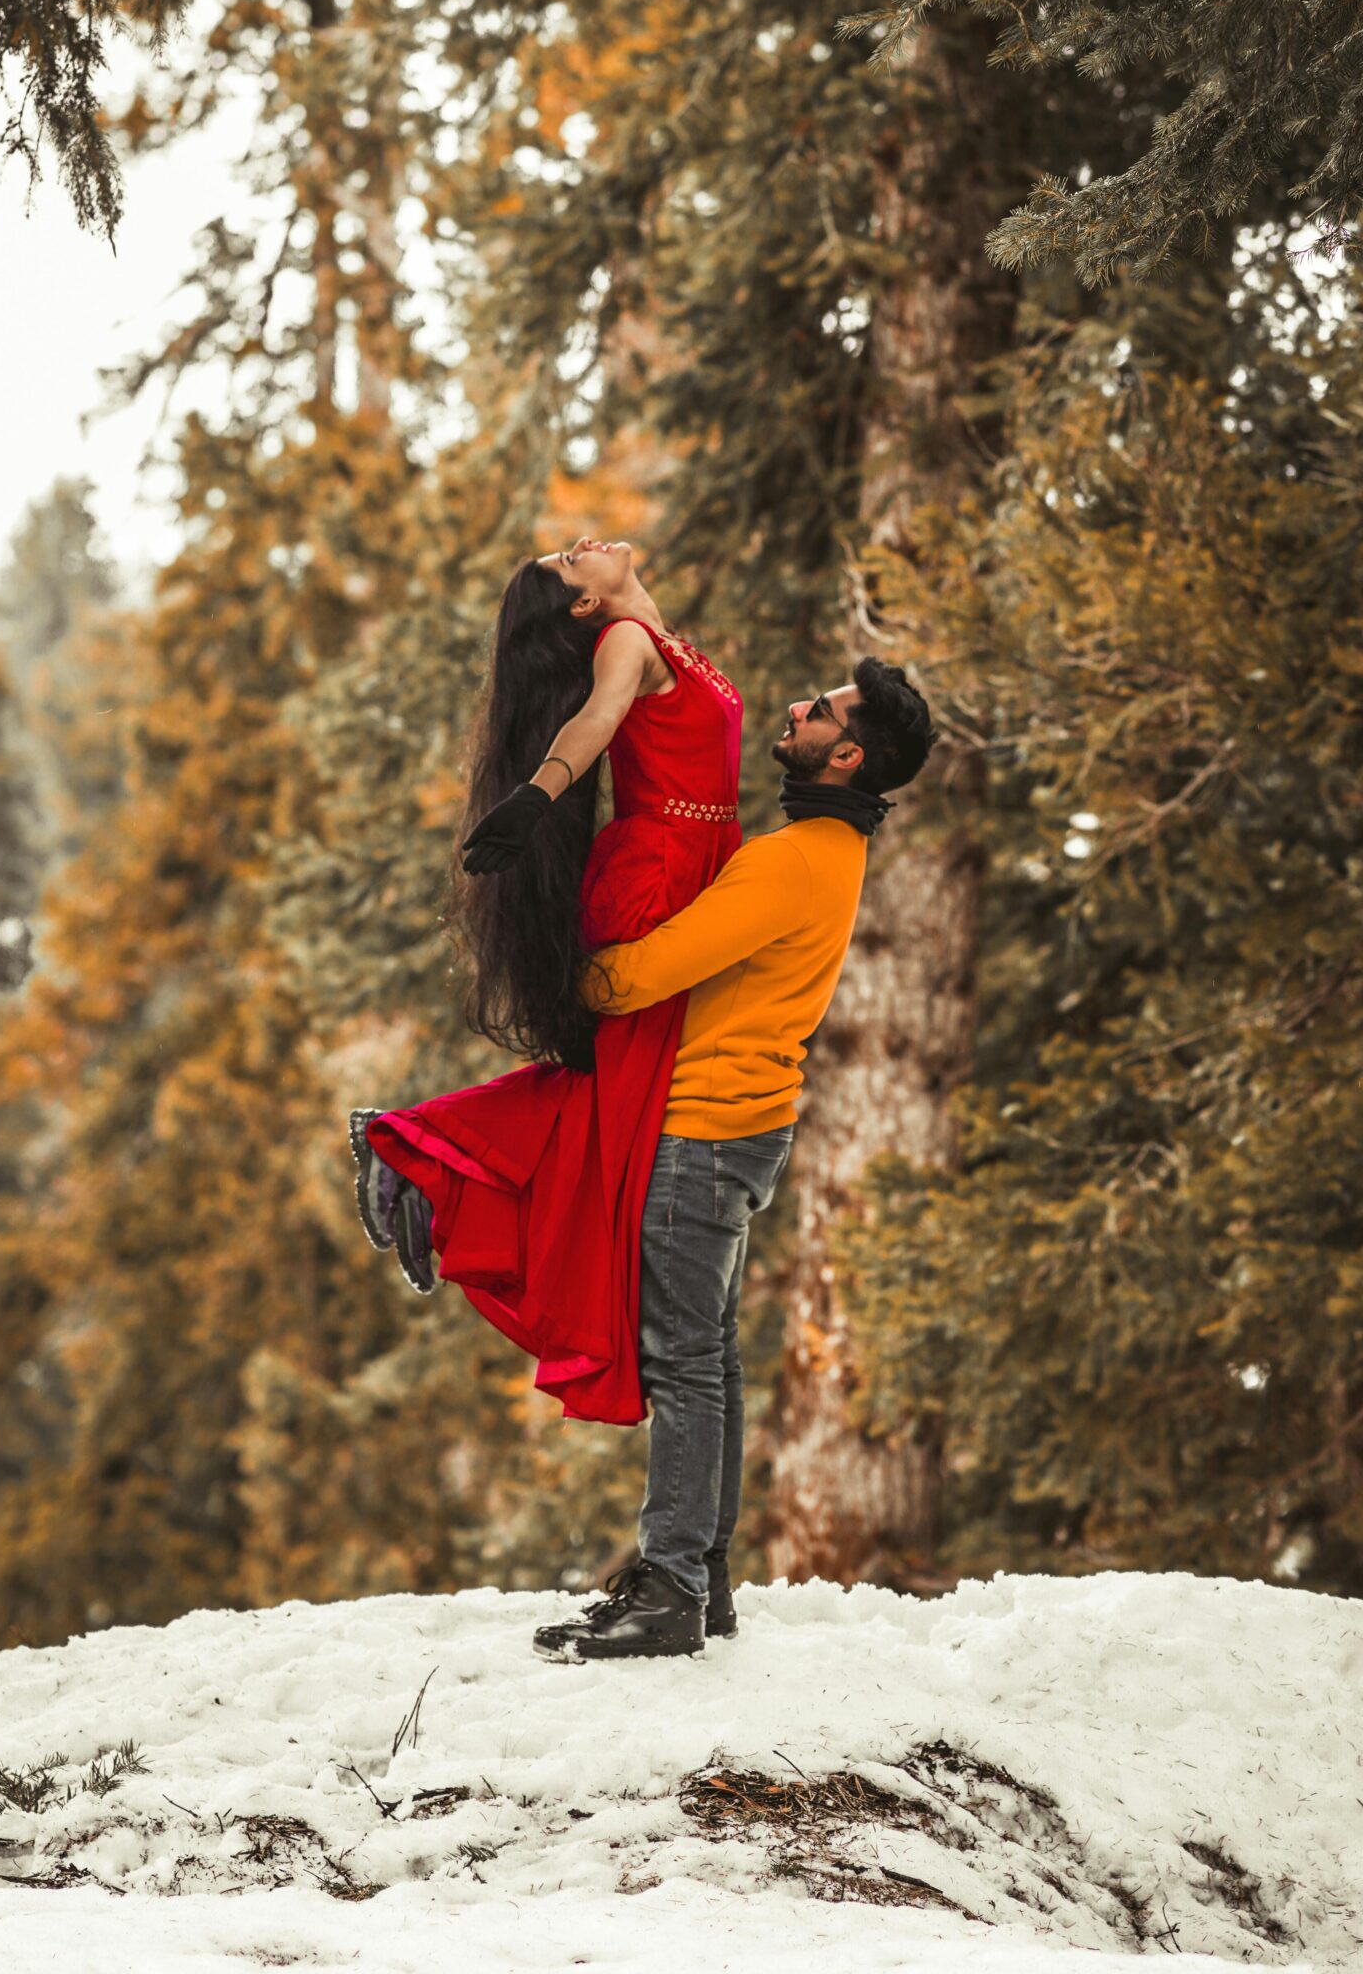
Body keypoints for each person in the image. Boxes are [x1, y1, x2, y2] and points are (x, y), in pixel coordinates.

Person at [534, 655, 937, 1662]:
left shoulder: (795, 856)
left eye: (823, 711)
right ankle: (699, 1581)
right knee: (707, 1351)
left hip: (707, 1128)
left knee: (682, 1357)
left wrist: (557, 978)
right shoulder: (830, 849)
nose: (798, 706)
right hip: (746, 1124)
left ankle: (670, 1585)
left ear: (844, 755)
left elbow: (655, 970)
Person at [349, 536, 743, 1422]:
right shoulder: (623, 644)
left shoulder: (655, 632)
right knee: (615, 1106)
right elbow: (596, 722)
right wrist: (535, 795)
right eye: (570, 563)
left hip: (692, 870)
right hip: (658, 879)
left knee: (612, 1097)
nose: (583, 545)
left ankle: (421, 1158)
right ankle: (414, 1152)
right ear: (581, 608)